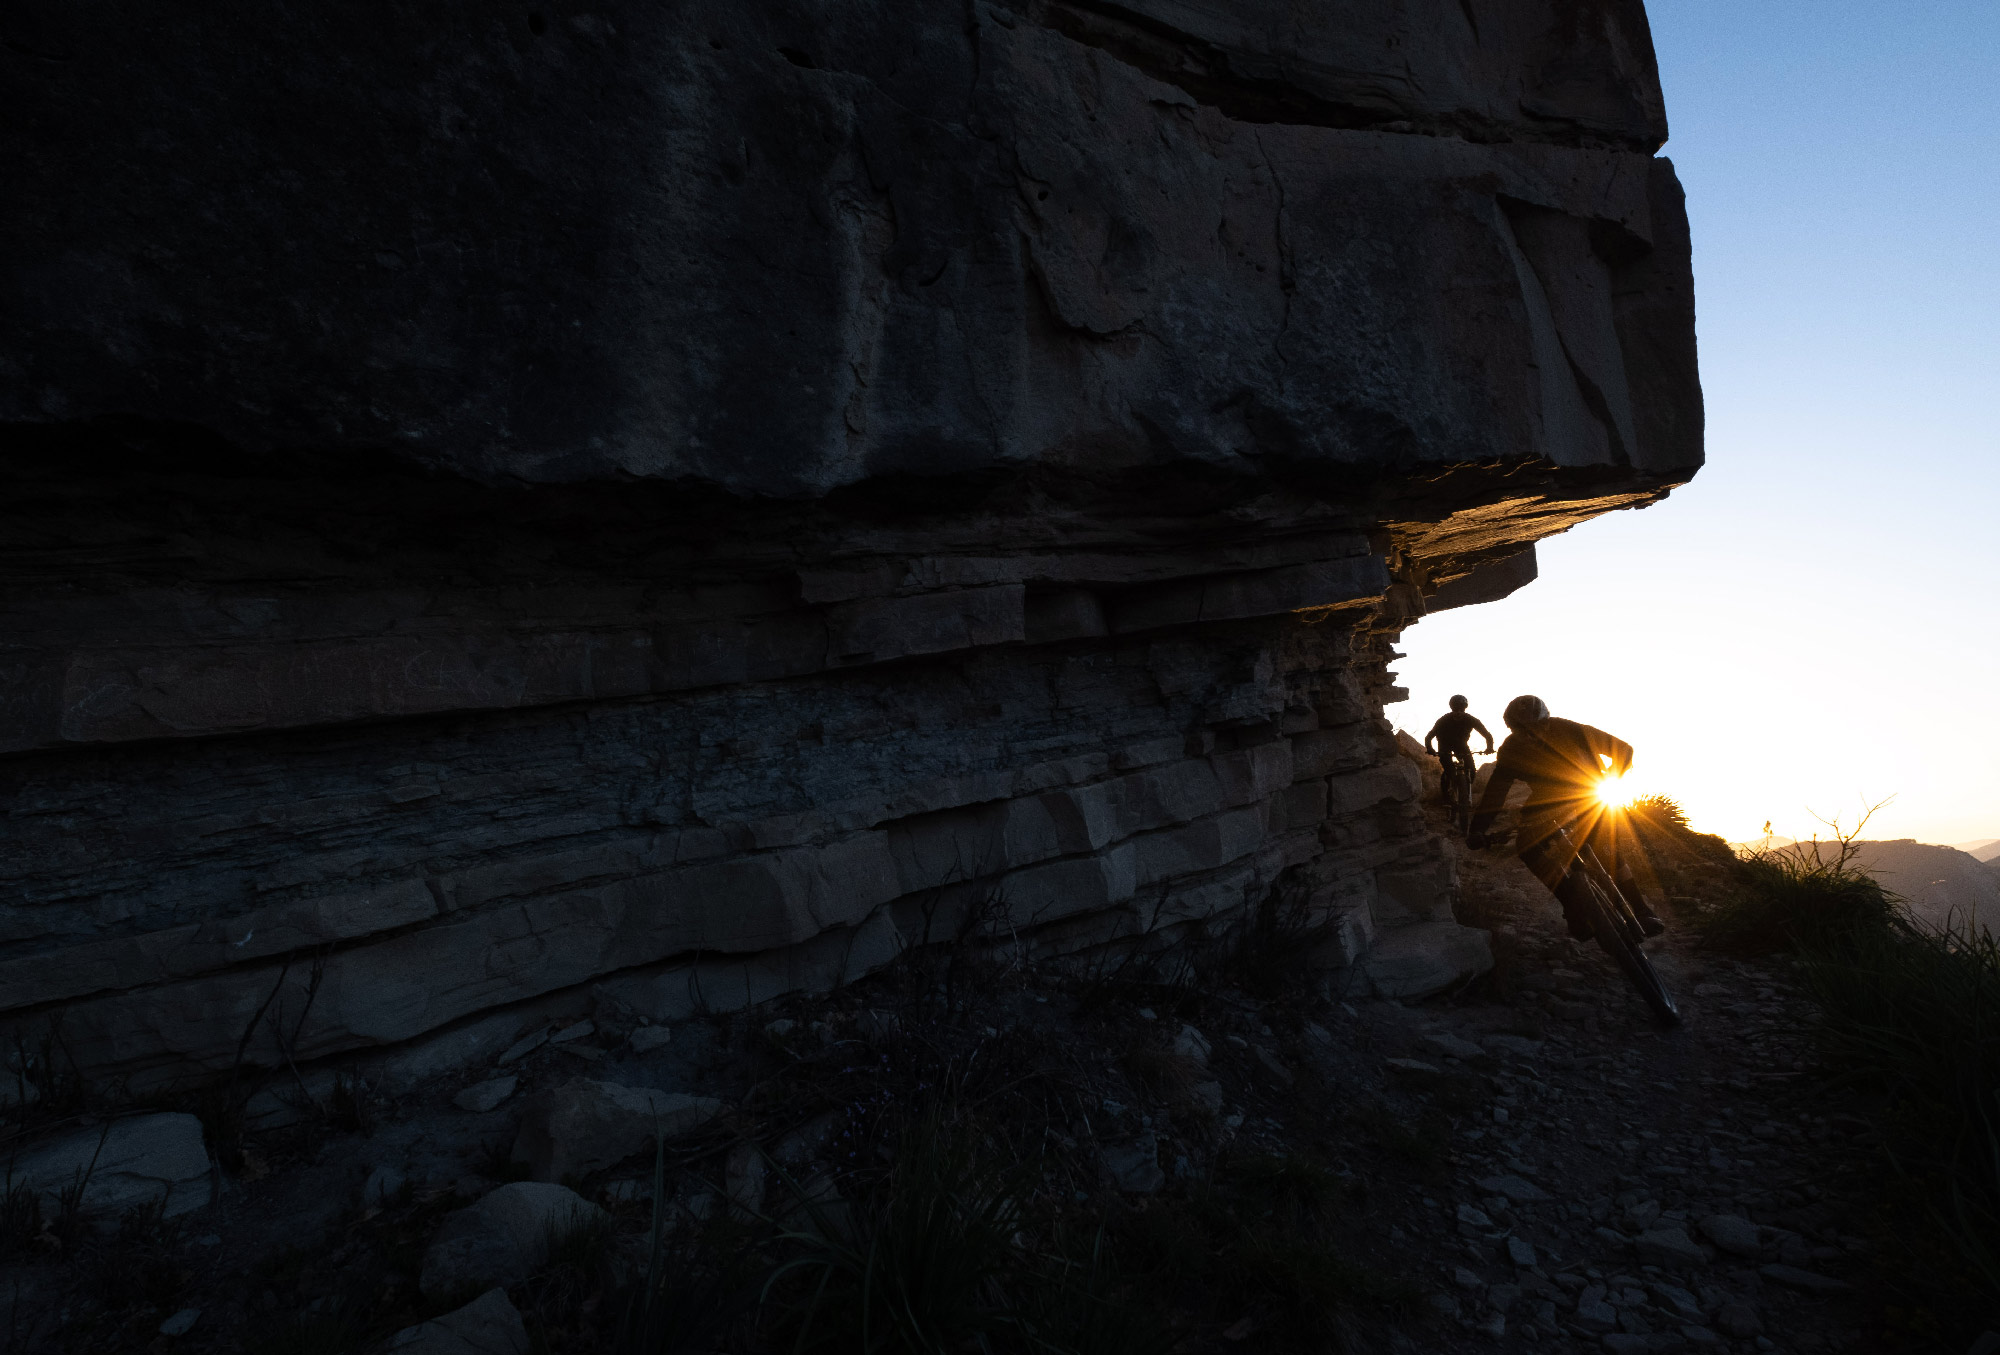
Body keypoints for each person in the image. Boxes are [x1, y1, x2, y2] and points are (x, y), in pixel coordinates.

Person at [1466, 694, 1665, 939]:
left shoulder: (1572, 729)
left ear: (1547, 720)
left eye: (1538, 726)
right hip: (1548, 800)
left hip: (1588, 791)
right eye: (1523, 730)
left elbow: (1623, 750)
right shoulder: (1510, 751)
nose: (1533, 734)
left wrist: (1611, 780)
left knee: (1605, 847)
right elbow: (1496, 793)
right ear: (1513, 729)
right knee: (1527, 846)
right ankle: (1572, 906)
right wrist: (1478, 829)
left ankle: (1642, 910)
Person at [1424, 695, 1494, 790]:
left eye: (1461, 710)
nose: (1458, 713)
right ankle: (1447, 799)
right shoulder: (1443, 720)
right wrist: (1430, 748)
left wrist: (1489, 747)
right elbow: (1429, 736)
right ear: (1452, 709)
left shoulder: (1471, 719)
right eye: (1456, 710)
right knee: (1449, 770)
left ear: (1465, 709)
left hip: (1461, 745)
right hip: (1444, 744)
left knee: (1471, 770)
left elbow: (1486, 734)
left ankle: (1464, 790)